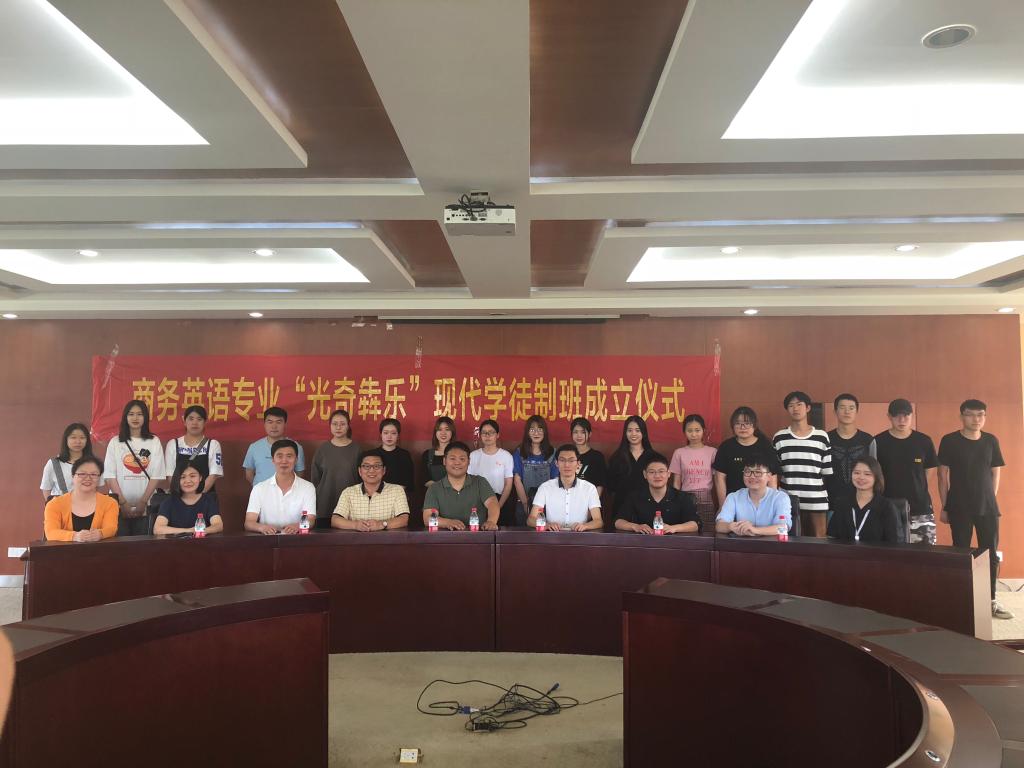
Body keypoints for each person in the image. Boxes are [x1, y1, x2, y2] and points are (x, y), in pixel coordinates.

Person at [938, 399, 1011, 620]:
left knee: (990, 554)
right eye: (970, 414)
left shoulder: (991, 440)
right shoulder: (949, 440)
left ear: (984, 417)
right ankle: (962, 599)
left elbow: (995, 472)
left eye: (980, 415)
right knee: (961, 553)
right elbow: (942, 475)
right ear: (961, 416)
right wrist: (944, 506)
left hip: (987, 507)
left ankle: (990, 600)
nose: (976, 419)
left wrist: (989, 498)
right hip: (959, 506)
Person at [873, 399, 937, 545]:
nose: (901, 420)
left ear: (911, 416)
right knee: (889, 552)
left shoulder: (924, 441)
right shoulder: (878, 441)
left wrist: (918, 487)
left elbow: (930, 469)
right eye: (897, 415)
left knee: (925, 553)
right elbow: (874, 473)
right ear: (889, 416)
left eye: (906, 415)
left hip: (920, 508)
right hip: (888, 506)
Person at [773, 391, 833, 537]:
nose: (795, 408)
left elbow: (826, 472)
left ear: (808, 408)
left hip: (816, 503)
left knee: (819, 544)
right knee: (788, 543)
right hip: (787, 503)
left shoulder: (822, 437)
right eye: (791, 405)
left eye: (799, 404)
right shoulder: (779, 437)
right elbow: (775, 472)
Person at [102, 399, 165, 536]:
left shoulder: (154, 441)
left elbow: (156, 475)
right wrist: (123, 503)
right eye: (131, 414)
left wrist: (143, 502)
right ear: (125, 417)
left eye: (139, 414)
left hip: (146, 507)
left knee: (144, 545)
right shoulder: (115, 442)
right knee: (119, 545)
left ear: (145, 417)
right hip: (118, 507)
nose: (135, 418)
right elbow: (110, 476)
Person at [244, 439, 316, 535]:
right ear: (273, 460)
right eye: (279, 456)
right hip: (267, 540)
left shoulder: (308, 487)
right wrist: (262, 527)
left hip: (297, 539)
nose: (284, 461)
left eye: (289, 456)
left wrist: (298, 526)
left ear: (296, 460)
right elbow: (249, 523)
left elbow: (311, 520)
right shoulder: (259, 488)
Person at [422, 441, 500, 530]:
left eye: (462, 459)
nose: (457, 463)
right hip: (445, 537)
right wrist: (448, 522)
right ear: (444, 461)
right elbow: (427, 518)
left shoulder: (480, 482)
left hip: (478, 536)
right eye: (452, 458)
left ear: (469, 461)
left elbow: (492, 503)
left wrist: (491, 521)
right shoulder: (434, 488)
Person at [616, 453, 700, 535]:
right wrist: (635, 526)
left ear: (668, 473)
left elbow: (695, 525)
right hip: (642, 542)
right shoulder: (634, 497)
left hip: (674, 542)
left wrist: (674, 528)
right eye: (652, 472)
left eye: (661, 471)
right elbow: (618, 522)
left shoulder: (682, 497)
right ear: (645, 474)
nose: (657, 476)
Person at [527, 444, 603, 531]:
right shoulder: (545, 487)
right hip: (553, 535)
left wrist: (585, 526)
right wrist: (546, 525)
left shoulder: (589, 488)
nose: (567, 465)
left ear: (578, 464)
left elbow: (598, 521)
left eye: (571, 460)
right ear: (556, 463)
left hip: (579, 535)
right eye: (562, 460)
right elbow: (531, 519)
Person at [712, 406, 777, 504]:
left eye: (747, 423)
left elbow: (772, 477)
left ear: (754, 425)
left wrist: (771, 503)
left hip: (761, 502)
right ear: (732, 426)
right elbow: (719, 478)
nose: (742, 427)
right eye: (738, 423)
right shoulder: (726, 447)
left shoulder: (765, 445)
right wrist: (723, 505)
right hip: (734, 502)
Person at [43, 457, 119, 542]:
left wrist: (101, 534)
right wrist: (75, 536)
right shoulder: (54, 504)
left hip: (99, 550)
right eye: (82, 474)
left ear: (99, 478)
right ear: (73, 476)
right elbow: (51, 533)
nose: (88, 478)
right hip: (64, 550)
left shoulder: (110, 503)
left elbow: (111, 528)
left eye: (93, 474)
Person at [332, 449, 410, 531]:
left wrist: (381, 524)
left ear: (384, 470)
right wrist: (355, 525)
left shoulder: (397, 490)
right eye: (366, 466)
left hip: (387, 539)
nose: (372, 470)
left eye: (377, 466)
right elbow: (335, 520)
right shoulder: (348, 492)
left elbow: (404, 519)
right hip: (355, 538)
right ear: (360, 471)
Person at [826, 457, 899, 543]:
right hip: (845, 551)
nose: (861, 477)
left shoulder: (886, 507)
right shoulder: (841, 504)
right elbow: (832, 538)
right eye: (856, 473)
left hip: (876, 552)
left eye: (867, 474)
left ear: (876, 477)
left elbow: (892, 543)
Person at [716, 455, 792, 537]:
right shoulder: (734, 497)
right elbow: (719, 526)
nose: (752, 476)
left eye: (758, 472)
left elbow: (783, 528)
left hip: (772, 544)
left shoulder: (780, 498)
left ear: (769, 476)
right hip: (742, 543)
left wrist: (755, 530)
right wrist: (731, 526)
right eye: (747, 471)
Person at [310, 409, 360, 529]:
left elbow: (361, 479)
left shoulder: (356, 449)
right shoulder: (322, 449)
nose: (338, 427)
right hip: (325, 505)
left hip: (351, 506)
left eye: (342, 424)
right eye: (335, 424)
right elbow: (315, 479)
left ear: (348, 426)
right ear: (330, 426)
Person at [607, 416, 657, 528]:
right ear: (625, 433)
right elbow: (611, 487)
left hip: (648, 507)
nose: (633, 434)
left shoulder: (653, 457)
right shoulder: (616, 457)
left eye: (637, 430)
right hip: (622, 508)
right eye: (629, 430)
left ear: (643, 433)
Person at [669, 414, 717, 531]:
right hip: (685, 498)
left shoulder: (712, 452)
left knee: (707, 532)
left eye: (697, 430)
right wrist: (676, 501)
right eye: (689, 431)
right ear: (684, 432)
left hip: (706, 498)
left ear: (703, 430)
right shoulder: (679, 453)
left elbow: (718, 479)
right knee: (686, 532)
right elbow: (676, 482)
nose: (694, 434)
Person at [162, 405, 223, 493]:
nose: (195, 423)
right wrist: (183, 496)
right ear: (184, 421)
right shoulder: (173, 444)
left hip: (205, 496)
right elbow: (170, 475)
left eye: (199, 419)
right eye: (191, 419)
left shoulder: (213, 445)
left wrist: (196, 497)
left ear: (205, 422)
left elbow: (213, 475)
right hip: (179, 496)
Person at [826, 393, 875, 503]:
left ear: (857, 411)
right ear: (835, 411)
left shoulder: (868, 440)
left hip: (862, 501)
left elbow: (874, 472)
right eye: (842, 407)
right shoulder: (826, 439)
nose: (847, 412)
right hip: (831, 501)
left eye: (851, 408)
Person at [153, 460, 224, 535]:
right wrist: (189, 531)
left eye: (192, 476)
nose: (188, 481)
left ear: (200, 477)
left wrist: (202, 531)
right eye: (182, 477)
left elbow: (218, 525)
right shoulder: (169, 502)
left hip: (202, 541)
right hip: (175, 542)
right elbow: (158, 529)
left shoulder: (208, 500)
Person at [512, 415, 557, 526]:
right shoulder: (519, 452)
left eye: (540, 429)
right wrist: (525, 504)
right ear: (527, 432)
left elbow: (555, 480)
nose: (536, 433)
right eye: (532, 430)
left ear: (545, 432)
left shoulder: (552, 453)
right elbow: (517, 479)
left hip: (547, 504)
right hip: (524, 501)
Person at [243, 407, 306, 486]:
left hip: (287, 491)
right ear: (264, 424)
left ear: (285, 424)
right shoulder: (254, 447)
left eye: (278, 422)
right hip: (261, 492)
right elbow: (249, 474)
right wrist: (261, 488)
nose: (274, 426)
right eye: (270, 422)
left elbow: (299, 474)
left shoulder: (296, 447)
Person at [469, 419, 514, 525]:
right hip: (477, 501)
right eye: (484, 432)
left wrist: (498, 506)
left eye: (491, 432)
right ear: (480, 435)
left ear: (497, 435)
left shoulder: (506, 456)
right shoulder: (473, 455)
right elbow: (468, 480)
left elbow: (508, 484)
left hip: (499, 499)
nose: (487, 435)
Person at [40, 422, 99, 503]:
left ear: (87, 441)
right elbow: (46, 489)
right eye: (73, 437)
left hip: (87, 506)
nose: (78, 441)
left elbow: (96, 488)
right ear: (66, 440)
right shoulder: (54, 464)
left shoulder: (94, 464)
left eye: (82, 437)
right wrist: (52, 507)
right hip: (60, 507)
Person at [379, 418, 415, 499]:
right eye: (386, 433)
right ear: (381, 434)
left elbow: (408, 481)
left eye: (393, 433)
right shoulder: (373, 455)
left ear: (398, 435)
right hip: (377, 496)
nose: (389, 436)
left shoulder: (405, 455)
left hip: (399, 497)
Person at [570, 417, 607, 496]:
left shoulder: (597, 457)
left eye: (583, 432)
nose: (579, 435)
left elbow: (600, 484)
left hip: (589, 499)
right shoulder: (567, 455)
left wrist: (594, 502)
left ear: (590, 434)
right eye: (575, 432)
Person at [423, 416, 456, 488]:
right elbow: (425, 479)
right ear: (435, 432)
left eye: (447, 429)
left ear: (452, 432)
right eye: (440, 429)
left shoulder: (459, 454)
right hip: (433, 492)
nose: (443, 433)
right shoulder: (427, 454)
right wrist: (440, 490)